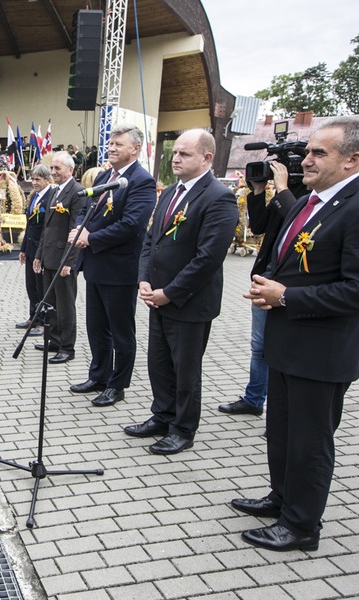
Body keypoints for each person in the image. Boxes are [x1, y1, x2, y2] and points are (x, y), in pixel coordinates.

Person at [237, 117, 359, 552]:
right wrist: (268, 286)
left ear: (353, 160)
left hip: (322, 351)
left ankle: (301, 526)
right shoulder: (311, 202)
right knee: (282, 432)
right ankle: (282, 499)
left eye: (317, 153)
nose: (305, 160)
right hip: (288, 343)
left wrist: (286, 296)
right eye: (308, 151)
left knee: (310, 442)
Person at [127, 129, 238, 455]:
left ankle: (183, 428)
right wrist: (144, 279)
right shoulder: (171, 191)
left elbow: (208, 258)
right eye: (174, 152)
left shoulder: (218, 197)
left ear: (206, 158)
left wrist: (170, 293)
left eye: (184, 154)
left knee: (185, 370)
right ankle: (162, 415)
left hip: (188, 302)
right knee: (159, 363)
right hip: (157, 296)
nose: (175, 158)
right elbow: (151, 240)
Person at [69, 125, 155, 406]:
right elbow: (86, 207)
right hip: (95, 265)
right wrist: (79, 228)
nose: (112, 147)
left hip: (119, 269)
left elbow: (131, 225)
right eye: (111, 143)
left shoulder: (141, 181)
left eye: (119, 143)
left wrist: (91, 237)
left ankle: (117, 385)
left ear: (135, 149)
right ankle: (99, 375)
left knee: (121, 331)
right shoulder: (106, 175)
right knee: (96, 326)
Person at [219, 162, 297, 417]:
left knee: (282, 349)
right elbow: (259, 226)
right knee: (259, 345)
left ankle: (280, 411)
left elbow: (298, 226)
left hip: (290, 286)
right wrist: (259, 190)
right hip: (266, 276)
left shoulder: (307, 198)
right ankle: (254, 399)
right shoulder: (280, 196)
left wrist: (284, 189)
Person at [32, 151, 85, 364]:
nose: (53, 172)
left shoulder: (77, 193)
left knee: (65, 306)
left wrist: (69, 262)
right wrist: (39, 255)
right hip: (49, 258)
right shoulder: (55, 192)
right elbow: (47, 228)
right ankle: (53, 340)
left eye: (57, 169)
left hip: (64, 260)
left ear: (70, 170)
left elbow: (76, 230)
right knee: (50, 303)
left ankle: (67, 347)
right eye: (52, 168)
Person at [16, 164, 53, 334]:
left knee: (40, 287)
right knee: (31, 286)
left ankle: (42, 323)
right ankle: (33, 317)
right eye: (33, 179)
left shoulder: (51, 197)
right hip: (30, 247)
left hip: (42, 249)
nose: (34, 182)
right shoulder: (34, 197)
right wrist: (23, 249)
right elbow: (29, 225)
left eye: (38, 179)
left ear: (47, 180)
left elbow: (47, 227)